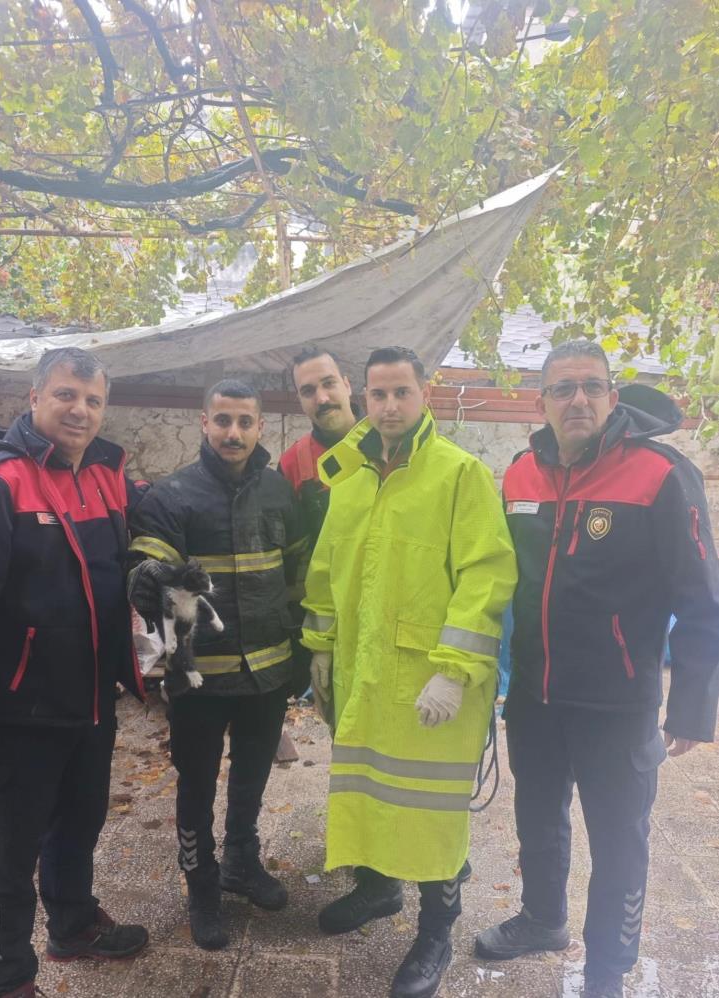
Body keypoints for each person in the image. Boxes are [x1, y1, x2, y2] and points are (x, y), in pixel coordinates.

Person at [475, 340, 719, 998]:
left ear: (612, 397)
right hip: (535, 695)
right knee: (537, 817)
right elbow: (503, 584)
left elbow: (701, 599)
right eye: (563, 388)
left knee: (618, 841)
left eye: (591, 386)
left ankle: (608, 969)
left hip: (619, 701)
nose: (577, 399)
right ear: (542, 402)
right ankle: (542, 920)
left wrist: (693, 706)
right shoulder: (519, 474)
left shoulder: (661, 475)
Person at [301, 346, 517, 998]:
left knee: (427, 811)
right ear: (362, 399)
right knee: (365, 793)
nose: (389, 406)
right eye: (378, 394)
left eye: (401, 392)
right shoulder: (349, 478)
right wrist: (318, 643)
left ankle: (435, 929)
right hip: (362, 676)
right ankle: (377, 890)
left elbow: (486, 574)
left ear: (425, 393)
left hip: (431, 689)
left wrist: (454, 670)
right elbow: (325, 568)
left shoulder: (458, 474)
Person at [0, 347, 149, 998]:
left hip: (91, 702)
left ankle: (72, 927)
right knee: (5, 860)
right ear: (34, 397)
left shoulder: (105, 474)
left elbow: (156, 526)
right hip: (16, 714)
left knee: (78, 825)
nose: (80, 410)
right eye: (67, 395)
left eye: (93, 400)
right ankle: (6, 979)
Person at [127, 379, 307, 952]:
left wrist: (303, 656)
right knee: (197, 786)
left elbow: (301, 580)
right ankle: (201, 885)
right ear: (204, 423)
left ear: (259, 427)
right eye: (223, 420)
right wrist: (144, 579)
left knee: (251, 782)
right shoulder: (171, 495)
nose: (234, 432)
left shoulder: (281, 494)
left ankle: (241, 865)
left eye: (245, 422)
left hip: (267, 675)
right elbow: (145, 571)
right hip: (198, 680)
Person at [279, 346, 359, 546]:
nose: (322, 398)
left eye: (329, 383)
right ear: (300, 401)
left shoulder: (391, 444)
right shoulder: (292, 464)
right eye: (308, 391)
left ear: (347, 385)